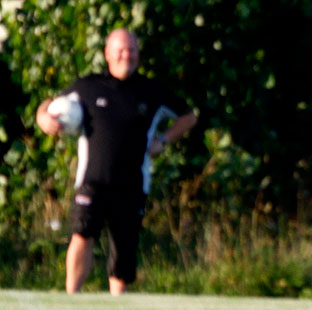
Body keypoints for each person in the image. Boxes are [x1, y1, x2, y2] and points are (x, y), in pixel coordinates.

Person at [36, 28, 197, 295]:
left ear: (138, 53)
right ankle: (70, 297)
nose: (127, 55)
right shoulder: (88, 86)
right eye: (121, 49)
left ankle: (117, 308)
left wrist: (164, 140)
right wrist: (43, 118)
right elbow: (50, 105)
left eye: (132, 49)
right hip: (93, 181)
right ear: (107, 53)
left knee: (124, 249)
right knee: (82, 234)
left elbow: (189, 117)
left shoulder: (152, 91)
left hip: (133, 183)